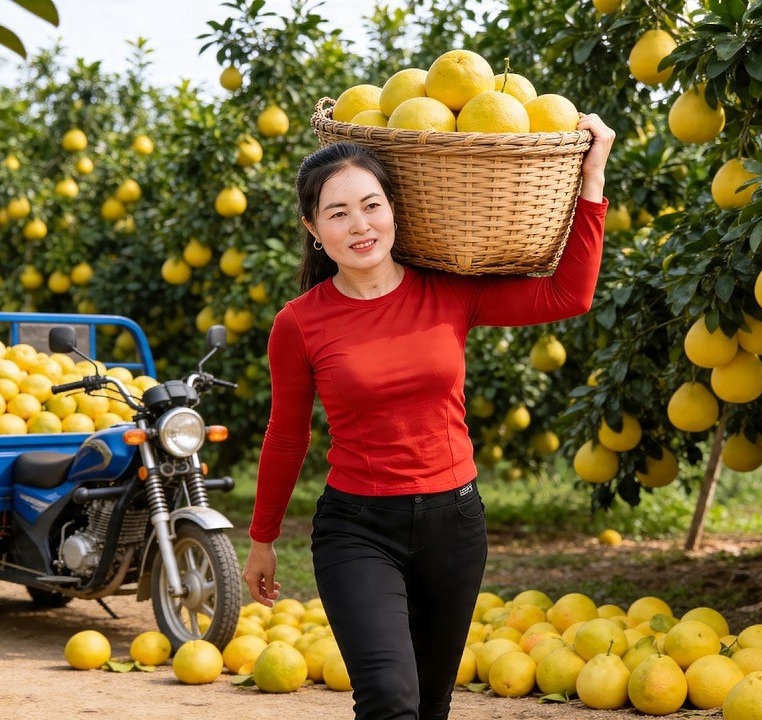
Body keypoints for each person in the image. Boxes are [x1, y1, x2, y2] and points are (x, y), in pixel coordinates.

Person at [243, 113, 616, 720]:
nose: (360, 225)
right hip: (356, 528)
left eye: (371, 205)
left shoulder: (449, 290)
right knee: (391, 699)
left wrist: (591, 176)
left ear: (394, 208)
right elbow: (287, 434)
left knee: (432, 704)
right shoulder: (299, 322)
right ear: (313, 229)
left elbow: (566, 295)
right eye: (338, 213)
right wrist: (262, 540)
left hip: (455, 524)